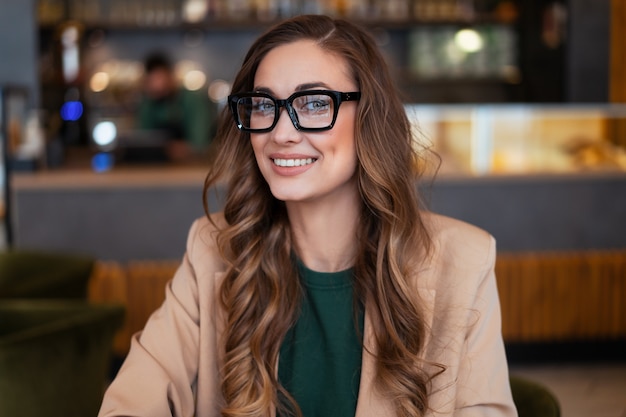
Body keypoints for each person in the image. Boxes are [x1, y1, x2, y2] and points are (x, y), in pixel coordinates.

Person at [99, 15, 517, 417]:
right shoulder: (212, 248)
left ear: (370, 118)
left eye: (315, 103)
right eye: (264, 105)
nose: (281, 132)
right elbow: (135, 396)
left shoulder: (465, 261)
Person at [134, 52, 216, 161]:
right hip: (157, 168)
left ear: (170, 76)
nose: (157, 86)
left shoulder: (192, 100)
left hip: (195, 166)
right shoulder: (148, 105)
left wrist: (180, 149)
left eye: (160, 78)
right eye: (151, 80)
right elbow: (143, 141)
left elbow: (200, 143)